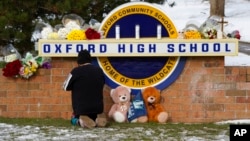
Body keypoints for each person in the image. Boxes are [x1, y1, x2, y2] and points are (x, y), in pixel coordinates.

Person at [63, 49, 107, 128]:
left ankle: (81, 121)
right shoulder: (99, 70)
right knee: (96, 114)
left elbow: (65, 87)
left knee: (73, 119)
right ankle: (99, 119)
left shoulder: (75, 71)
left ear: (78, 60)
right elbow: (103, 83)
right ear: (90, 60)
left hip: (81, 109)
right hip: (98, 108)